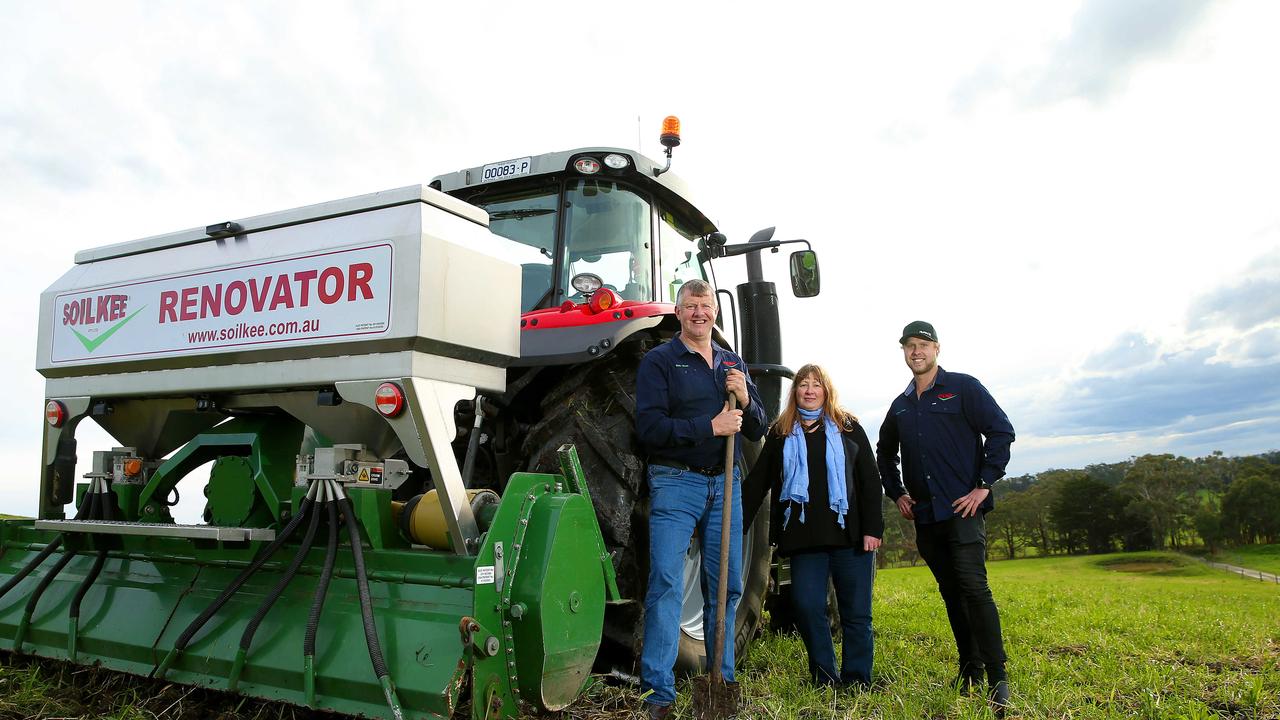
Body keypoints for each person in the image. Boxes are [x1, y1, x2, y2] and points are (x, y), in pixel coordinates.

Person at [635, 278, 767, 719]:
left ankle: (721, 680)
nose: (699, 313)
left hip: (725, 484)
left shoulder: (732, 363)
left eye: (705, 306)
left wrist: (746, 398)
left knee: (726, 588)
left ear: (715, 312)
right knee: (668, 584)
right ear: (678, 313)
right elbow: (650, 429)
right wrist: (709, 428)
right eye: (691, 306)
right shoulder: (659, 362)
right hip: (676, 483)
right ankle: (660, 694)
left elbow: (757, 427)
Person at [876, 320, 1016, 715]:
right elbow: (884, 453)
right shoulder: (901, 404)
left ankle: (997, 676)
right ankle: (968, 668)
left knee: (974, 588)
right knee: (951, 592)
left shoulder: (964, 387)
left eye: (922, 345)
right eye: (909, 346)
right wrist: (898, 493)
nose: (915, 351)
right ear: (903, 352)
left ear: (937, 348)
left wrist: (984, 484)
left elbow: (1001, 432)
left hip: (963, 510)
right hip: (926, 516)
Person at [744, 364, 883, 688]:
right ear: (795, 392)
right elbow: (757, 483)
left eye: (815, 384)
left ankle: (858, 679)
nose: (809, 390)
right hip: (805, 540)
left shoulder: (848, 428)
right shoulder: (781, 433)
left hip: (851, 538)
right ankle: (824, 676)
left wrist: (873, 530)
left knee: (856, 613)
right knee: (807, 608)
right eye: (803, 384)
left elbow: (870, 481)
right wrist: (736, 525)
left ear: (826, 390)